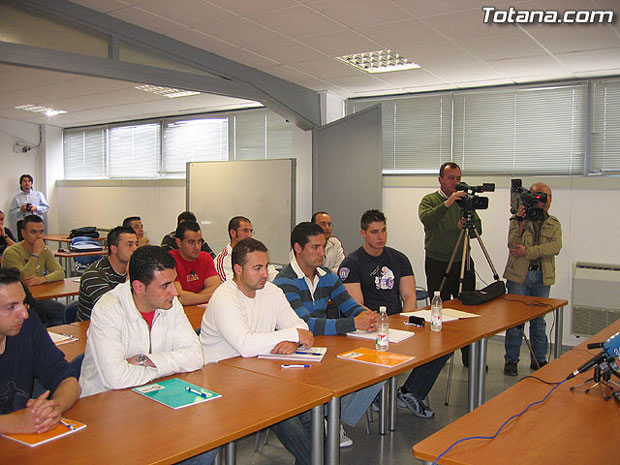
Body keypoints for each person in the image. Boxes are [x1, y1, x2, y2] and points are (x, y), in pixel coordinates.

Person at [79, 246, 212, 464]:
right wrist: (168, 365)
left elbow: (196, 356)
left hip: (155, 397)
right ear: (138, 287)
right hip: (107, 409)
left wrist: (146, 361)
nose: (175, 292)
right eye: (165, 285)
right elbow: (116, 379)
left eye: (174, 282)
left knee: (204, 442)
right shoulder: (108, 310)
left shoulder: (171, 304)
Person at [202, 237, 314, 465]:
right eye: (257, 268)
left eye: (266, 266)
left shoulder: (271, 291)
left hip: (258, 377)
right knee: (282, 411)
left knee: (310, 404)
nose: (265, 273)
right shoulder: (225, 296)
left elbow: (301, 327)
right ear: (237, 269)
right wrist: (291, 335)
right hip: (219, 383)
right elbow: (245, 345)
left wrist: (294, 341)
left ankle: (314, 459)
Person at [274, 222, 383, 448]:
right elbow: (306, 325)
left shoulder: (326, 276)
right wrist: (354, 323)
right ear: (297, 248)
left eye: (323, 246)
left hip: (326, 348)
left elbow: (350, 305)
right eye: (314, 247)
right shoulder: (284, 281)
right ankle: (326, 418)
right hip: (295, 352)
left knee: (377, 370)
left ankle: (331, 418)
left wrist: (369, 316)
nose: (321, 253)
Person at [339, 209, 450, 419]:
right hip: (370, 326)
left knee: (442, 346)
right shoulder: (352, 264)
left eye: (383, 231)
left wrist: (406, 321)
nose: (380, 237)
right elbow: (357, 306)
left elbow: (409, 297)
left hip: (398, 321)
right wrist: (381, 324)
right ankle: (376, 393)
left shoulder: (398, 258)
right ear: (363, 233)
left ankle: (410, 392)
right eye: (374, 232)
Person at [0, 268, 81, 434]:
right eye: (11, 307)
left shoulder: (27, 327)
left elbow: (68, 381)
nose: (24, 313)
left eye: (24, 303)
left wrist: (52, 408)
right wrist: (14, 423)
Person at [419, 162, 481, 366]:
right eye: (451, 178)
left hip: (462, 261)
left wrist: (466, 226)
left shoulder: (464, 201)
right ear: (440, 179)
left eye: (458, 178)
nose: (455, 182)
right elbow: (427, 219)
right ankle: (439, 355)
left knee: (467, 311)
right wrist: (449, 202)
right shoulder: (430, 200)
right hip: (437, 262)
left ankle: (468, 356)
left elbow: (477, 229)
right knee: (439, 310)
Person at [503, 182, 562, 377]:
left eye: (546, 197)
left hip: (542, 276)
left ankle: (539, 359)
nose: (542, 201)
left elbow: (555, 247)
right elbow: (512, 245)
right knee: (515, 321)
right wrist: (520, 222)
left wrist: (528, 251)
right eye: (538, 196)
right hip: (519, 276)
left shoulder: (554, 223)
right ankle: (511, 360)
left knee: (539, 321)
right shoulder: (518, 218)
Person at [2, 215, 66, 326]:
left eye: (41, 232)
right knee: (44, 313)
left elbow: (60, 272)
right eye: (33, 232)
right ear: (23, 233)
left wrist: (43, 279)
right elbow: (23, 278)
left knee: (62, 311)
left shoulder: (45, 250)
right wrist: (35, 254)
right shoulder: (11, 252)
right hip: (19, 299)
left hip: (40, 295)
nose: (38, 236)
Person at [76, 226, 138, 322]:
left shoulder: (135, 270)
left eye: (136, 244)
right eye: (129, 245)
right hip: (94, 328)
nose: (135, 249)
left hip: (123, 325)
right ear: (114, 249)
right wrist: (130, 277)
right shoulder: (94, 274)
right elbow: (112, 309)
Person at [169, 221, 220, 305]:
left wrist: (192, 298)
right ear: (179, 243)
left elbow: (216, 288)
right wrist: (210, 296)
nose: (197, 247)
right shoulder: (170, 260)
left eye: (199, 241)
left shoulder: (205, 258)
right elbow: (179, 297)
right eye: (191, 242)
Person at [215, 216, 277, 282]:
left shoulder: (255, 253)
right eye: (245, 231)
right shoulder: (223, 261)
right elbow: (232, 285)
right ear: (233, 233)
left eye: (251, 231)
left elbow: (272, 274)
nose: (249, 235)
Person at [10, 174, 49, 241]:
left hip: (37, 221)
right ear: (21, 184)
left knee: (39, 241)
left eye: (29, 181)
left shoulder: (38, 195)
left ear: (31, 183)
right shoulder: (17, 198)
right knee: (23, 243)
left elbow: (46, 207)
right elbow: (12, 212)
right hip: (23, 222)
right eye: (24, 181)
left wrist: (36, 208)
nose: (27, 183)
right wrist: (21, 209)